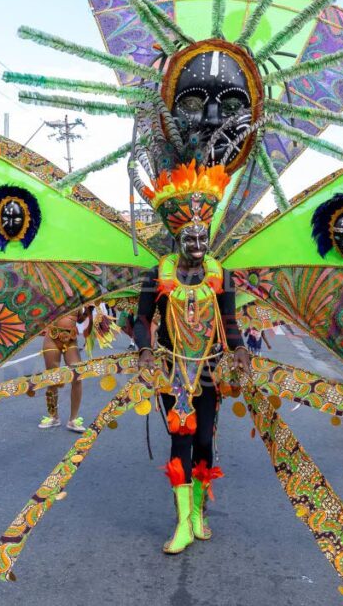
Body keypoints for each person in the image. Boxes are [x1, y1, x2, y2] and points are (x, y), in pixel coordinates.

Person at [135, 221, 248, 554]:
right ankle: (182, 523)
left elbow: (229, 321)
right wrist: (144, 349)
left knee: (203, 440)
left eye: (203, 238)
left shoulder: (221, 276)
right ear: (177, 241)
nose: (198, 244)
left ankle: (199, 513)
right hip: (172, 371)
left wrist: (239, 346)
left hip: (209, 370)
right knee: (180, 439)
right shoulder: (155, 275)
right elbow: (141, 320)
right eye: (190, 238)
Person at [39, 310, 86, 433]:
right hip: (51, 338)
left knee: (77, 376)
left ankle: (73, 419)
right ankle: (53, 417)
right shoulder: (52, 291)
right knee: (52, 378)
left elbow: (80, 319)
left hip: (71, 339)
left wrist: (88, 312)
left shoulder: (80, 294)